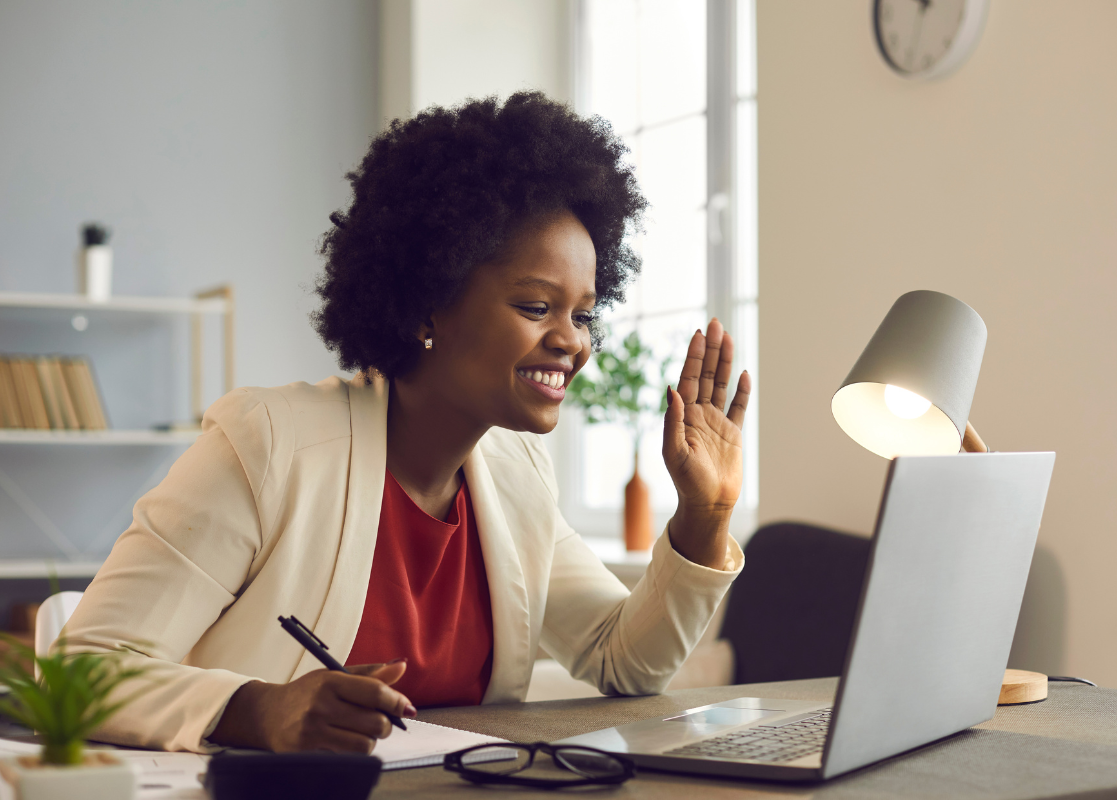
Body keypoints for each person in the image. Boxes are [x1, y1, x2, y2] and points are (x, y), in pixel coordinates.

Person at [65, 92, 751, 754]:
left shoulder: (517, 477)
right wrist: (259, 709)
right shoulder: (270, 445)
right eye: (537, 306)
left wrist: (705, 514)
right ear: (429, 307)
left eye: (584, 314)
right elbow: (81, 669)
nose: (571, 340)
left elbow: (623, 660)